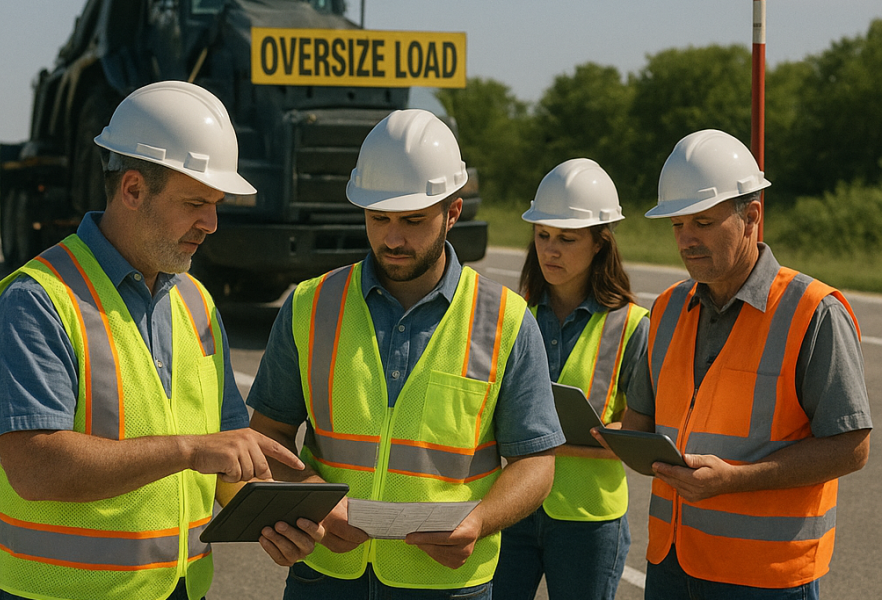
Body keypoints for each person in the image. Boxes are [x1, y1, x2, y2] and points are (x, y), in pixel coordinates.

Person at [0, 81, 321, 600]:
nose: (210, 223)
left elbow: (228, 453)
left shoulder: (196, 302)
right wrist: (189, 450)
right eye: (195, 203)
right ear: (133, 189)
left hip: (179, 589)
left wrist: (282, 514)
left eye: (216, 205)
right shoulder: (38, 300)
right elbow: (35, 467)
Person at [247, 108, 565, 599]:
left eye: (413, 220)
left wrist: (480, 520)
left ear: (453, 212)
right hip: (325, 576)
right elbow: (268, 435)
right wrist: (310, 493)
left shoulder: (506, 320)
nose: (392, 238)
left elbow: (536, 462)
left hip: (446, 585)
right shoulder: (310, 305)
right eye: (378, 219)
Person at [620, 129, 872, 599]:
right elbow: (641, 424)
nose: (686, 240)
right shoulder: (667, 309)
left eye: (703, 223)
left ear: (752, 216)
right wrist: (602, 435)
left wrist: (736, 480)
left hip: (767, 575)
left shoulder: (813, 311)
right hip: (673, 563)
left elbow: (851, 448)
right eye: (677, 225)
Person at [492, 159, 649, 600]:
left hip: (589, 521)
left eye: (567, 238)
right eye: (543, 235)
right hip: (513, 507)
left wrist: (542, 440)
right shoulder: (513, 316)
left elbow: (641, 432)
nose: (550, 250)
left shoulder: (634, 326)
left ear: (600, 243)